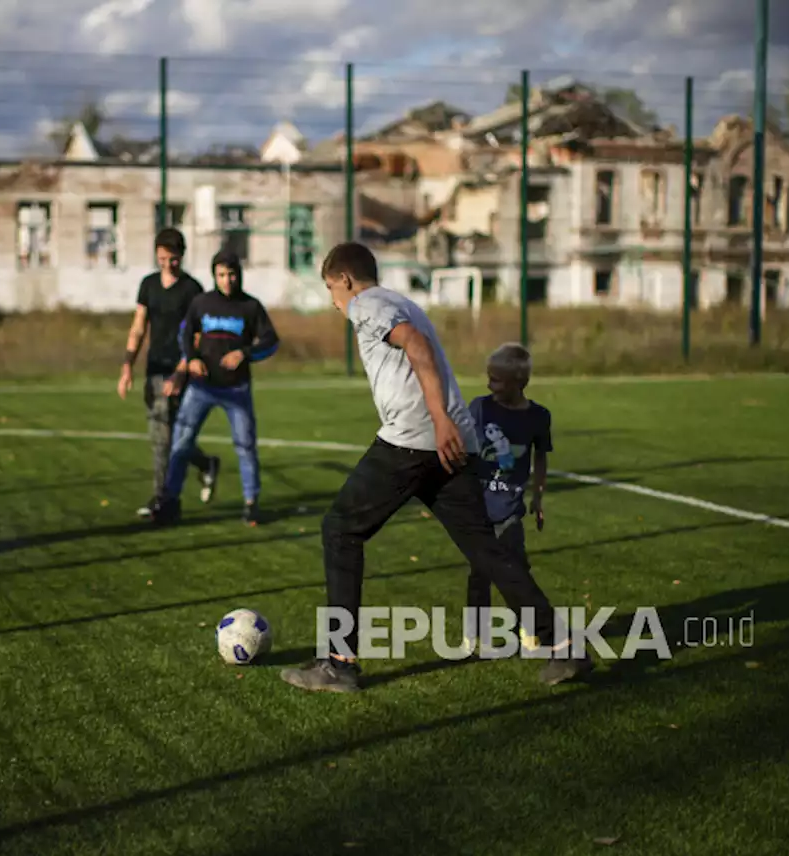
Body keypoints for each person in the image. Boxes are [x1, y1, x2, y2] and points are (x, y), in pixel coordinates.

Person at [279, 242, 590, 693]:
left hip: (414, 439)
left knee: (340, 529)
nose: (332, 300)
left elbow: (416, 345)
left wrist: (438, 416)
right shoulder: (401, 300)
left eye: (331, 288)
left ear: (346, 279)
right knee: (485, 548)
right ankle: (563, 645)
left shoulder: (367, 304)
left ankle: (338, 661)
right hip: (450, 442)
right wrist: (446, 422)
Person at [153, 247, 279, 527]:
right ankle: (170, 502)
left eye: (232, 274)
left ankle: (251, 503)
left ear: (239, 275)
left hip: (237, 390)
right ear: (214, 276)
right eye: (221, 275)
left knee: (245, 446)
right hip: (201, 388)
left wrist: (244, 353)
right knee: (182, 443)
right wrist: (192, 359)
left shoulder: (250, 306)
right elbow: (184, 334)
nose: (227, 280)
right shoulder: (201, 303)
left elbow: (271, 340)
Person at [117, 228, 219, 520]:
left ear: (182, 256)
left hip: (180, 372)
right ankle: (205, 464)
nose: (167, 264)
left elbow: (198, 336)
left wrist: (180, 371)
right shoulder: (148, 285)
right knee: (172, 437)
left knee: (162, 437)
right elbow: (138, 327)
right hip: (154, 369)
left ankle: (163, 499)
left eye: (172, 259)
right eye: (162, 258)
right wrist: (127, 365)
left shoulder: (192, 289)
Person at [464, 342, 551, 655]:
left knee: (516, 568)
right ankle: (476, 633)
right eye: (489, 378)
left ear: (520, 383)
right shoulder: (479, 407)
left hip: (510, 509)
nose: (490, 385)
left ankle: (530, 627)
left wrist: (538, 497)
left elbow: (540, 459)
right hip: (477, 508)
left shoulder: (538, 417)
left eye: (497, 380)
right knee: (479, 571)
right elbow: (465, 450)